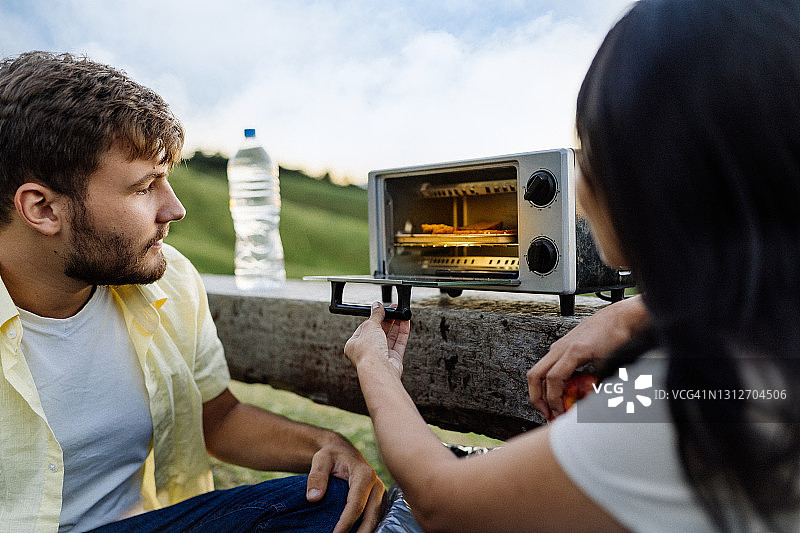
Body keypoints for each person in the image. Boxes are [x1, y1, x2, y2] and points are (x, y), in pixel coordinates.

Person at [343, 0, 800, 531]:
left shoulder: (680, 399)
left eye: (586, 150)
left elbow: (442, 501)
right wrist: (635, 311)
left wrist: (375, 366)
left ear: (649, 181)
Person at [0, 51, 384, 533]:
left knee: (338, 502)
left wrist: (325, 445)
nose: (175, 209)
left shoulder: (170, 279)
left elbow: (216, 418)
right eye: (145, 187)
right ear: (42, 209)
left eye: (168, 179)